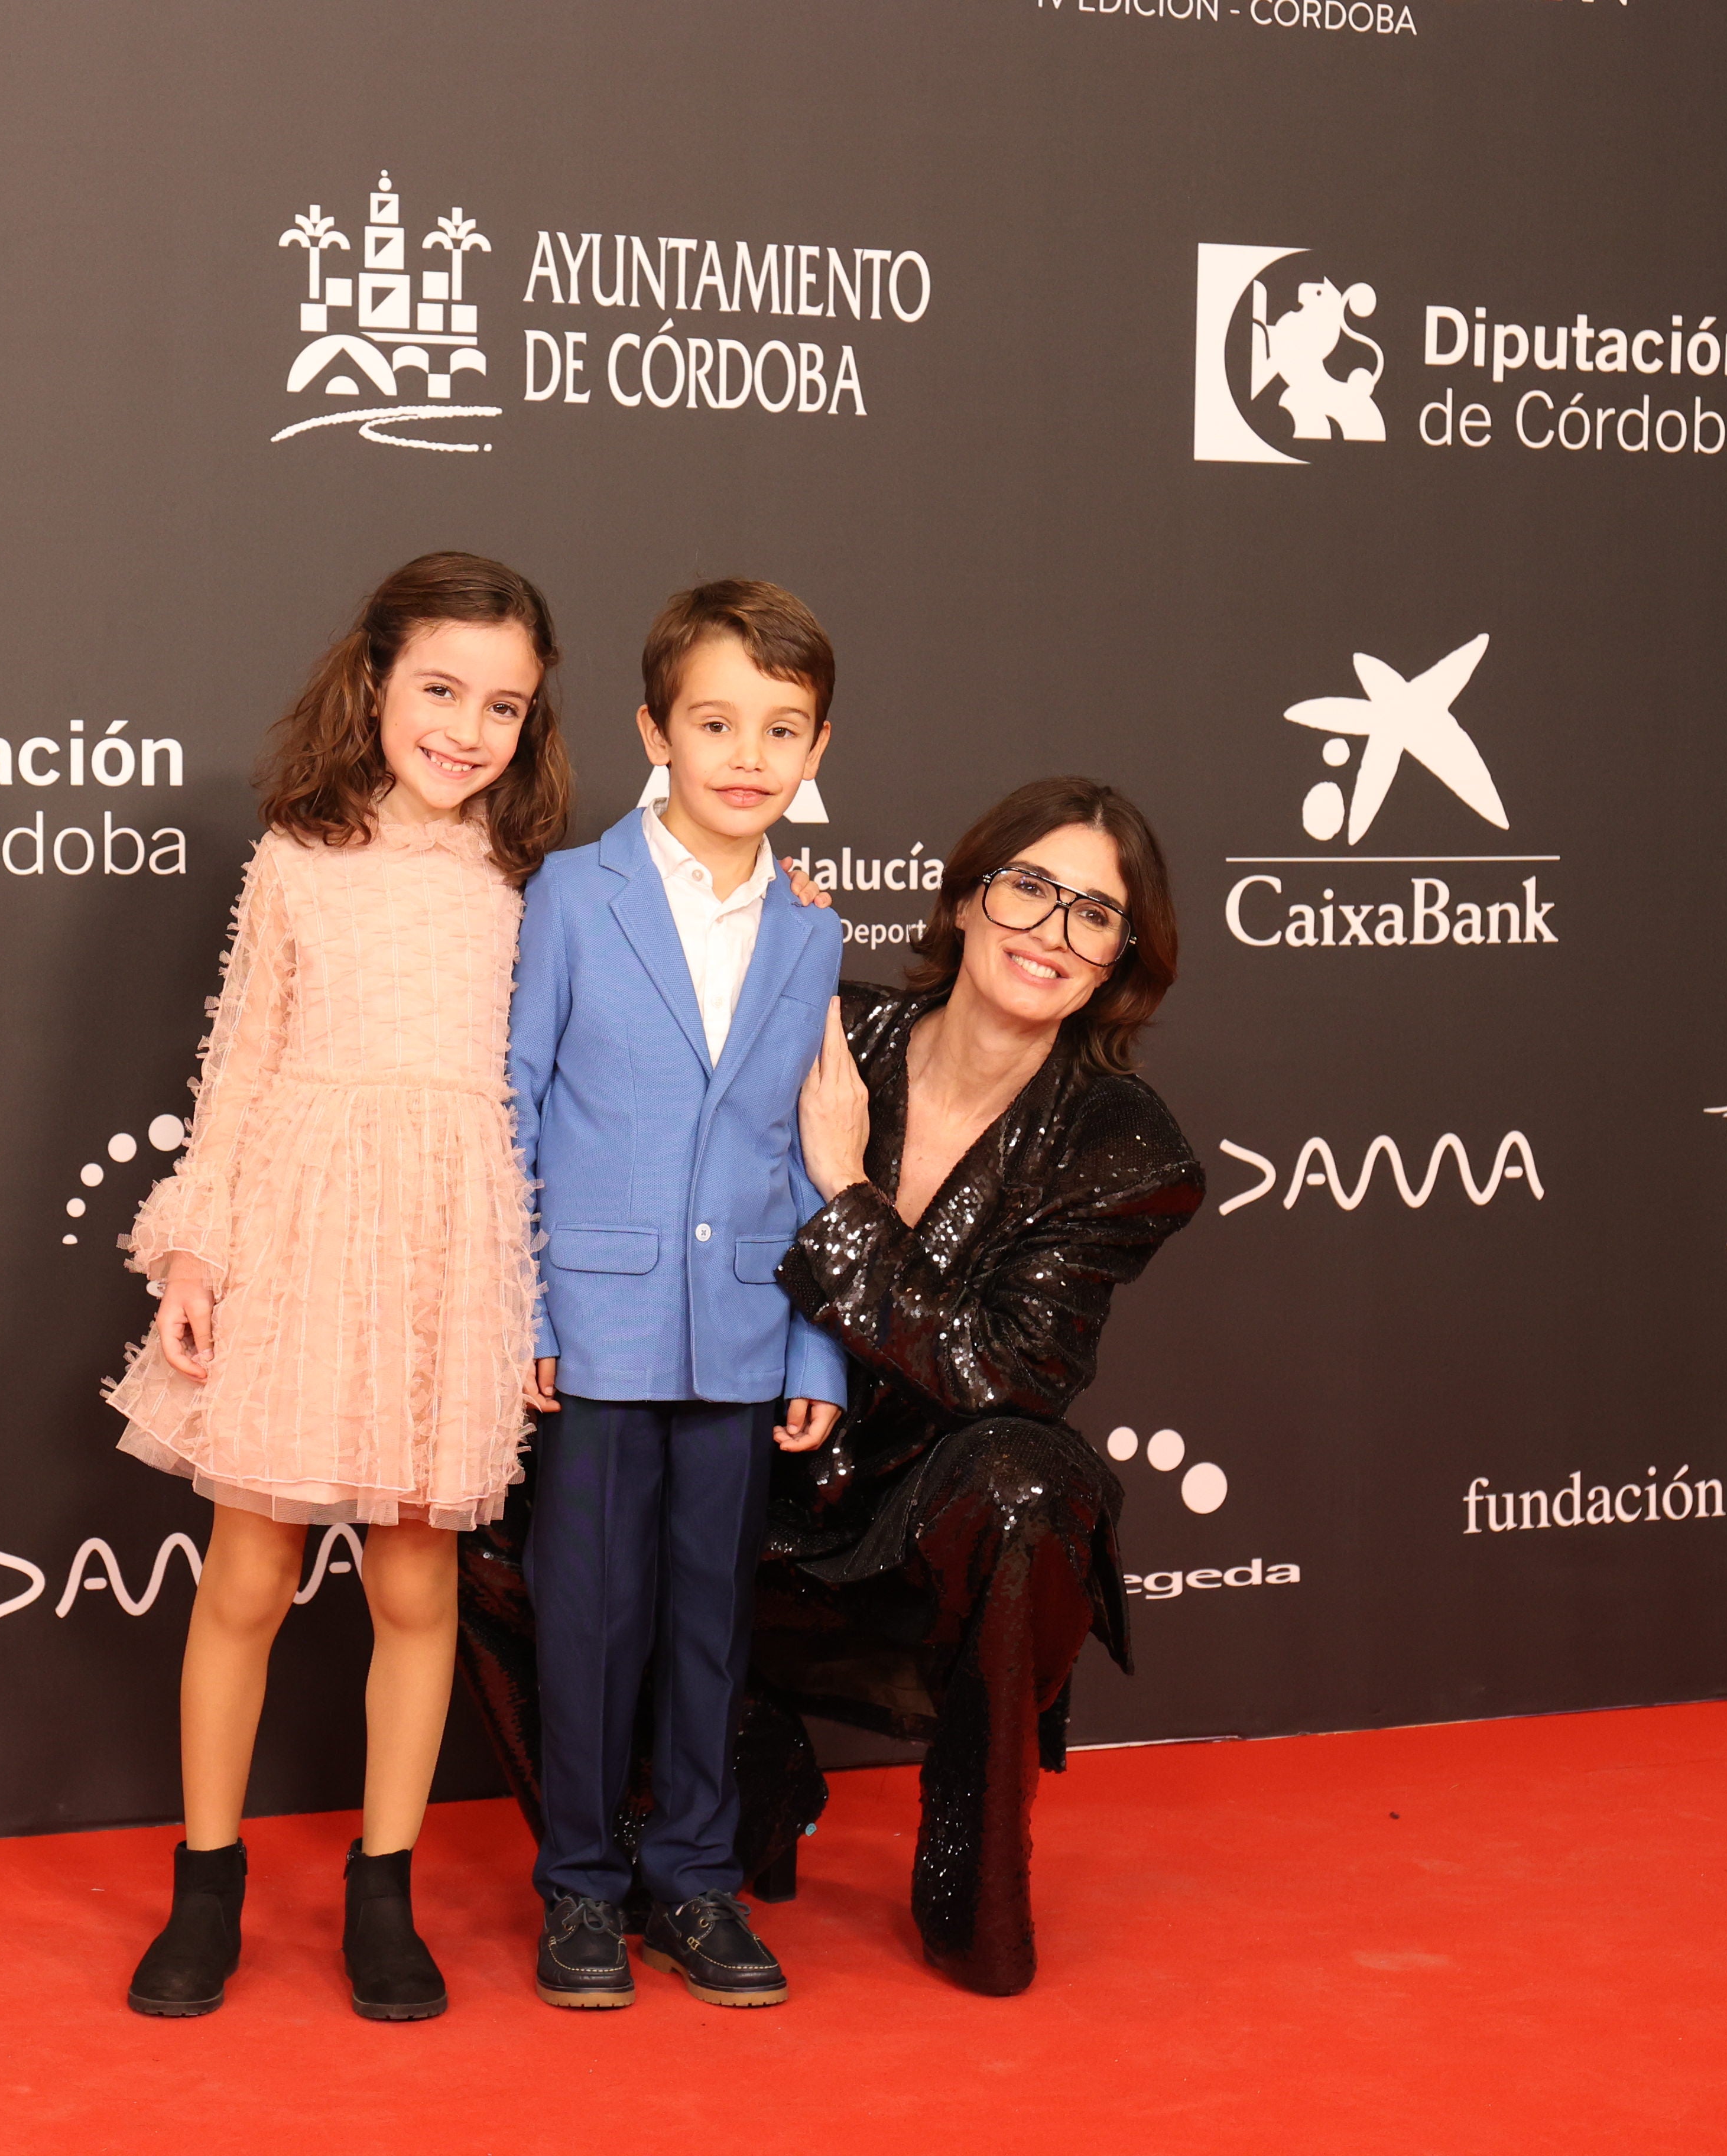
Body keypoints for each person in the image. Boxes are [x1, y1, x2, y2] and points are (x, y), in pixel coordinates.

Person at [108, 552, 571, 2022]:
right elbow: (241, 1064)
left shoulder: (529, 880)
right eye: (441, 689)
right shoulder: (296, 857)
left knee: (418, 1581)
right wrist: (198, 1245)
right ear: (375, 682)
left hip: (453, 1241)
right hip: (306, 1228)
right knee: (243, 1576)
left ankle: (387, 1891)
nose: (467, 728)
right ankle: (207, 1882)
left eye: (504, 704)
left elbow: (562, 1092)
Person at [765, 774, 1203, 1993]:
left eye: (1094, 915)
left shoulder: (1126, 1147)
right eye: (1028, 888)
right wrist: (769, 936)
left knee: (1033, 1480)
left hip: (921, 1520)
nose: (1051, 933)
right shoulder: (821, 1025)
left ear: (1120, 960)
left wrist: (850, 1198)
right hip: (735, 1481)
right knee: (502, 1488)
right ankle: (731, 1775)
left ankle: (971, 1871)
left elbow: (1005, 1370)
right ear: (964, 899)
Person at [501, 580, 849, 2012]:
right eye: (716, 721)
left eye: (782, 728)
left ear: (819, 750)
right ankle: (580, 1888)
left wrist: (820, 1350)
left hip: (746, 1341)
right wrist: (519, 1317)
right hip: (593, 1333)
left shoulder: (814, 935)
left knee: (714, 1622)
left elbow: (821, 1153)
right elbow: (508, 1111)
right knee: (587, 1620)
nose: (747, 754)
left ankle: (694, 1880)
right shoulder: (571, 895)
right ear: (656, 730)